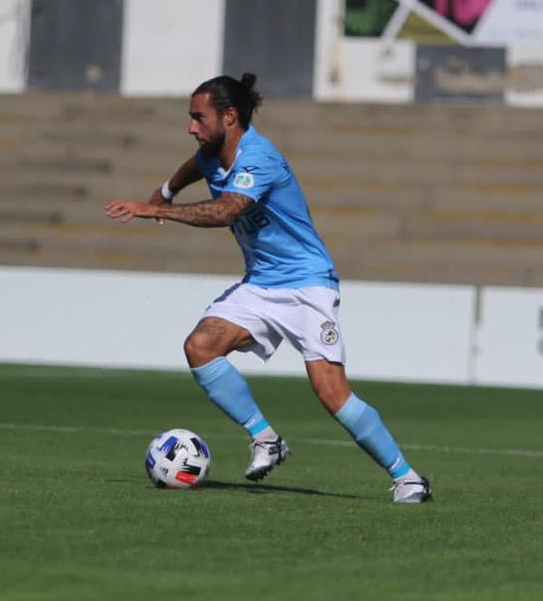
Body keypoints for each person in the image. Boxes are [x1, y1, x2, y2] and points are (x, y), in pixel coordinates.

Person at [105, 73, 431, 503]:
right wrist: (165, 191)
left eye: (198, 119)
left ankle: (407, 477)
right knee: (200, 347)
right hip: (261, 283)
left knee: (331, 393)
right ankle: (266, 438)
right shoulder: (210, 152)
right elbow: (193, 166)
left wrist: (153, 210)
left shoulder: (260, 159)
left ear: (230, 116)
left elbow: (226, 212)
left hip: (306, 285)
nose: (191, 128)